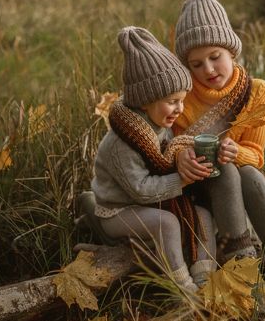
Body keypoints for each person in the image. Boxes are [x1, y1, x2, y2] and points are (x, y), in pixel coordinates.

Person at [174, 0, 265, 305]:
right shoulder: (181, 99)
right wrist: (182, 155)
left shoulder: (257, 92)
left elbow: (256, 155)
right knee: (225, 171)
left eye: (215, 57)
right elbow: (167, 148)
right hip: (198, 189)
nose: (209, 70)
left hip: (241, 186)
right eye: (196, 64)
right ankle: (242, 269)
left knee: (249, 173)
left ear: (231, 51)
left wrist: (235, 152)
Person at [89, 26, 216, 293]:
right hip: (118, 210)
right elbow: (142, 190)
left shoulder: (158, 125)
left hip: (150, 203)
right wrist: (181, 179)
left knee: (201, 215)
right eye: (172, 101)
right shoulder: (122, 143)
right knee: (167, 223)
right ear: (145, 101)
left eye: (181, 100)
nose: (179, 109)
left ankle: (205, 279)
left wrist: (185, 157)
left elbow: (168, 153)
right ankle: (182, 289)